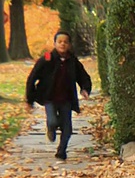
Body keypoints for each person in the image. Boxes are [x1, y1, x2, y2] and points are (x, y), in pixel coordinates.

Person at [25, 30, 92, 160]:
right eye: (59, 42)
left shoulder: (72, 60)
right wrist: (29, 99)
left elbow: (83, 76)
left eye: (65, 42)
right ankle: (51, 129)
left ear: (69, 45)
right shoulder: (47, 58)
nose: (62, 44)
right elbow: (32, 78)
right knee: (53, 121)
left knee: (67, 128)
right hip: (50, 98)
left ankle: (61, 151)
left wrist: (85, 89)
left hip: (66, 99)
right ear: (55, 43)